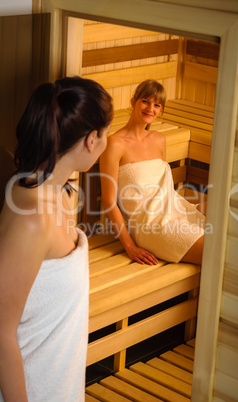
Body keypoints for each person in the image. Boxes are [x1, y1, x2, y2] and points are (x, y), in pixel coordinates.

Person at [0, 76, 113, 402]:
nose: (106, 142)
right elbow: (1, 331)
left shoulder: (61, 192)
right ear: (92, 140)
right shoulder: (31, 218)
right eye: (105, 135)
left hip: (60, 381)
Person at [99, 79, 205, 266]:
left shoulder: (159, 140)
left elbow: (165, 189)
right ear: (133, 102)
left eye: (157, 105)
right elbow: (109, 202)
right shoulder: (114, 144)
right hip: (149, 226)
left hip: (174, 210)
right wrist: (130, 246)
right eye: (145, 101)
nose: (151, 109)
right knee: (218, 250)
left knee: (229, 216)